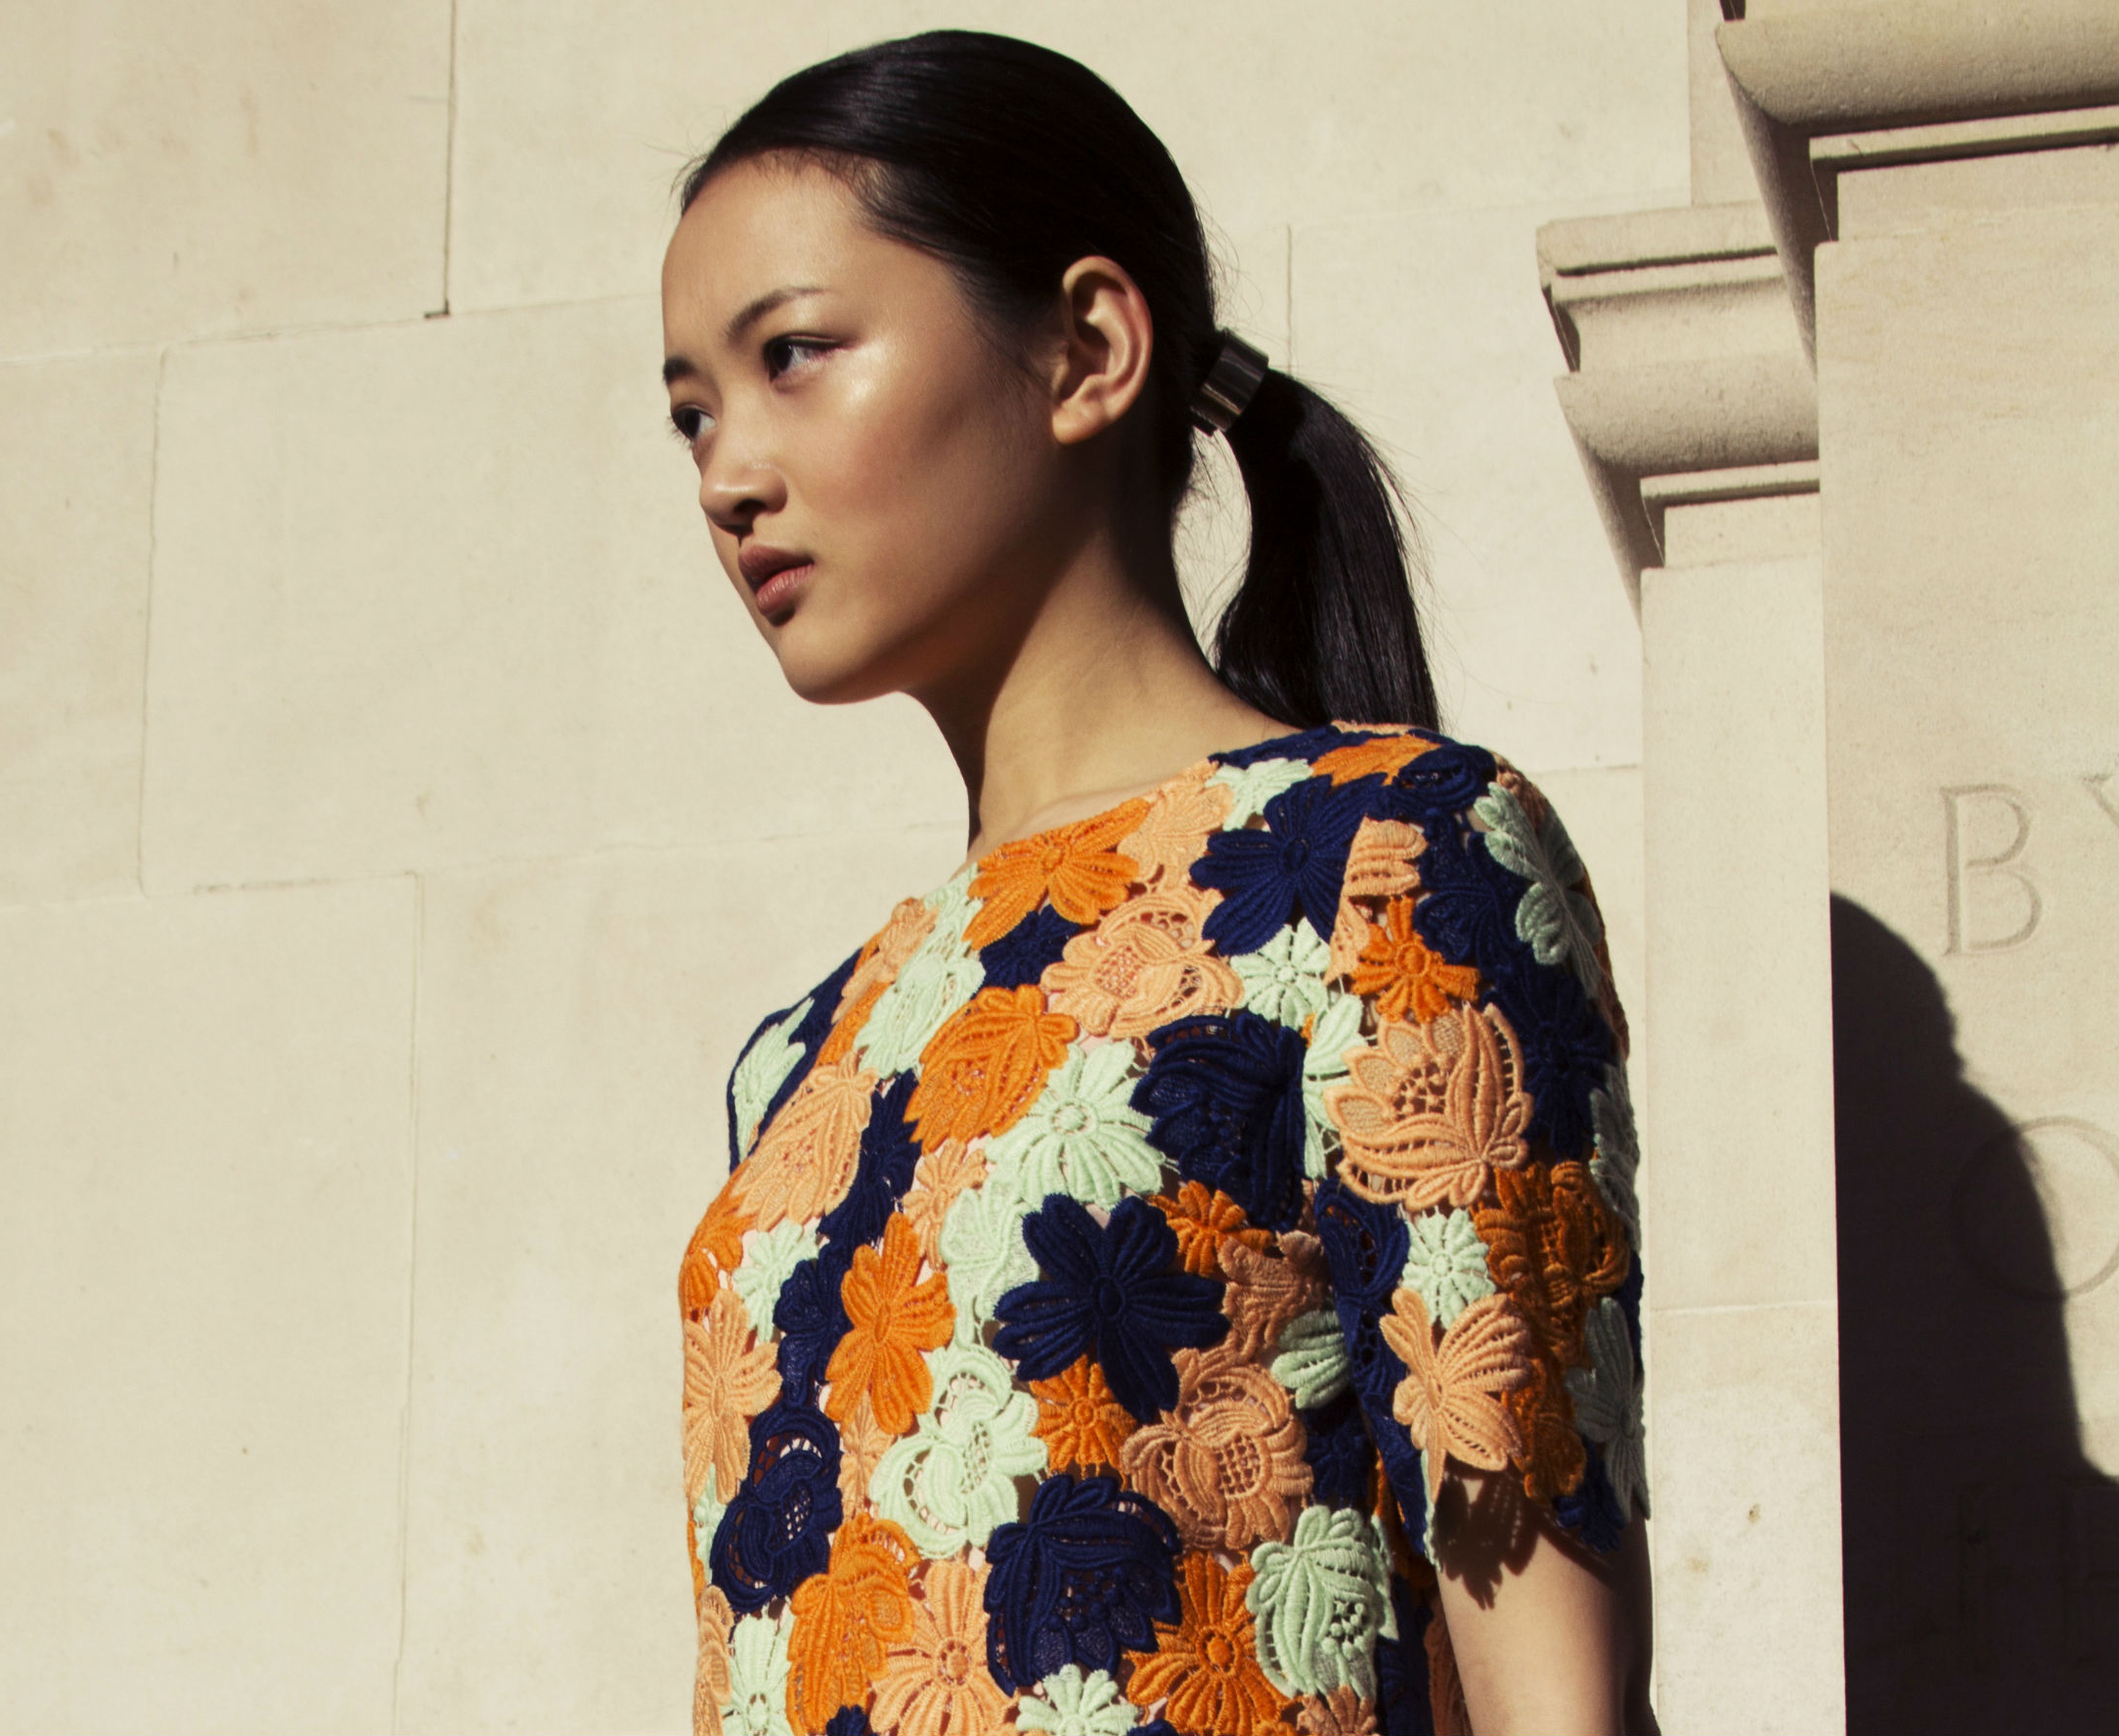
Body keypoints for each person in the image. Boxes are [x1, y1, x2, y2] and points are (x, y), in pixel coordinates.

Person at [664, 32, 1653, 1736]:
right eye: (692, 411)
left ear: (1088, 348)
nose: (727, 473)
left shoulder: (1387, 863)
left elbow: (1552, 1691)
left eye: (796, 356)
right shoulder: (802, 1058)